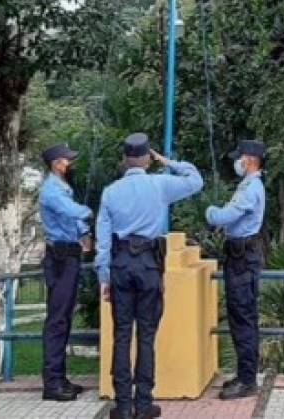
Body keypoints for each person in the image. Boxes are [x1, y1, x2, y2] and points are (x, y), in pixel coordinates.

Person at [95, 133, 203, 419]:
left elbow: (102, 240)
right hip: (148, 266)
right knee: (146, 335)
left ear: (125, 159)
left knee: (121, 335)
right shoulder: (160, 184)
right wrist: (168, 161)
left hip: (119, 265)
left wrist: (103, 276)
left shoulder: (110, 192)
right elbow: (195, 179)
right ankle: (144, 404)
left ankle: (122, 405)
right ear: (146, 159)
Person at [206, 140, 267, 400]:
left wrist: (211, 212)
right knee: (239, 316)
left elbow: (224, 217)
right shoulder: (247, 185)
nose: (237, 162)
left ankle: (247, 380)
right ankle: (244, 374)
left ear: (250, 160)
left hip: (243, 258)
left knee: (243, 317)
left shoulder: (251, 188)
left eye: (239, 158)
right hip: (239, 255)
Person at [37, 143, 93, 402]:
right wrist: (93, 212)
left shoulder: (62, 189)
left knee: (64, 318)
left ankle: (60, 378)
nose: (71, 165)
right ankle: (52, 383)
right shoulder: (52, 191)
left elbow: (74, 220)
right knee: (57, 320)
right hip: (60, 257)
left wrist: (83, 232)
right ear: (56, 164)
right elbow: (73, 212)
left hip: (68, 254)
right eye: (67, 161)